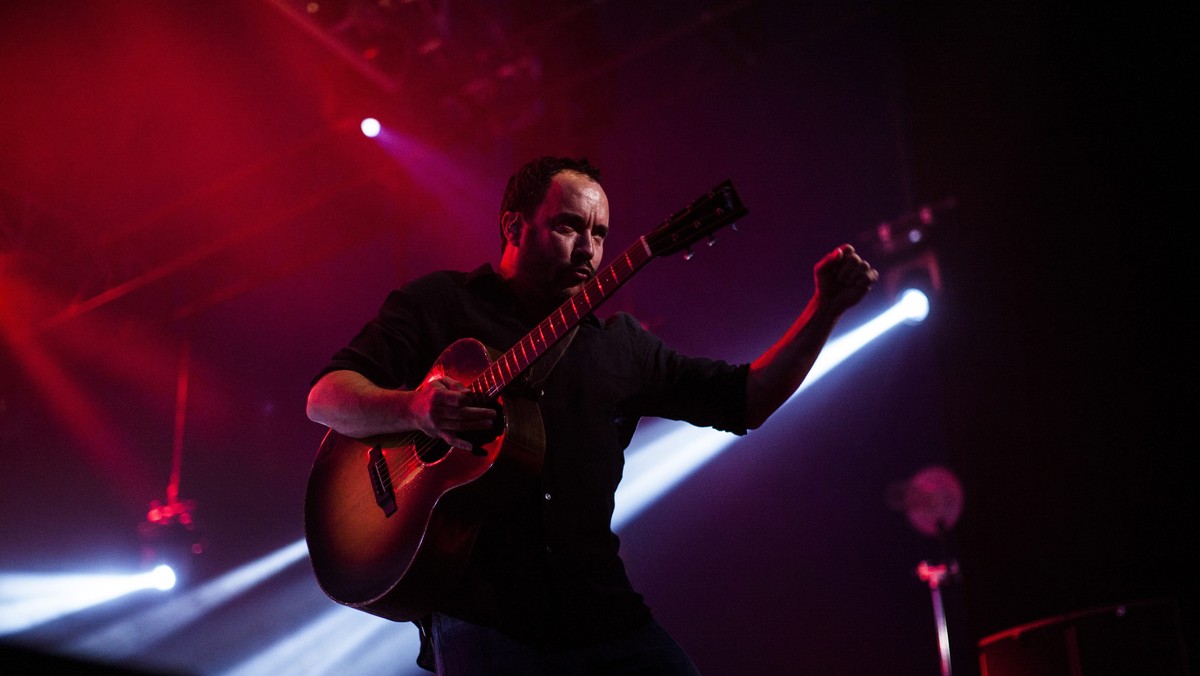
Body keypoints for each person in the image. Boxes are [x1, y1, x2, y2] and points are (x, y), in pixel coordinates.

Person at [306, 156, 878, 674]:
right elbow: (325, 397)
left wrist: (824, 310)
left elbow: (746, 401)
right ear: (513, 227)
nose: (589, 249)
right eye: (568, 227)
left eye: (600, 233)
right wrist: (414, 409)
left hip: (606, 618)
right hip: (483, 622)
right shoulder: (440, 304)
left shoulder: (622, 348)